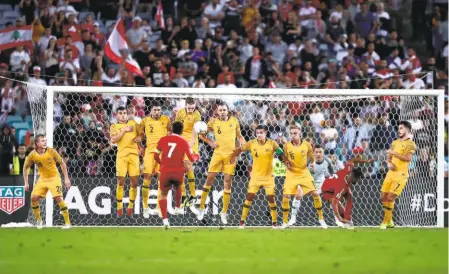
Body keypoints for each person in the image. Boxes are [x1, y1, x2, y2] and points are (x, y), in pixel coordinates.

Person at [197, 101, 245, 224]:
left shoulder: (234, 121)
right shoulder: (213, 121)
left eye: (224, 110)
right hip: (217, 154)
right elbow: (201, 135)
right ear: (217, 111)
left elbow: (239, 136)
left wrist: (242, 145)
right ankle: (201, 208)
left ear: (228, 111)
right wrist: (210, 142)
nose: (222, 112)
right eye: (220, 110)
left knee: (227, 182)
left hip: (230, 155)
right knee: (209, 179)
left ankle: (223, 212)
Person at [230, 125, 282, 229]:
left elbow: (280, 153)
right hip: (255, 176)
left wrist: (286, 160)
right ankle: (242, 221)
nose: (259, 134)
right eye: (257, 133)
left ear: (265, 132)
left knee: (271, 199)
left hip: (268, 177)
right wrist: (233, 156)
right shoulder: (251, 143)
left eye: (261, 132)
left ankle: (274, 222)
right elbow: (240, 149)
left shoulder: (272, 143)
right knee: (249, 197)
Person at [280, 124, 328, 229]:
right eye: (291, 133)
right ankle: (284, 221)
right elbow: (283, 156)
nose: (293, 135)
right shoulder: (286, 145)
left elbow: (311, 157)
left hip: (303, 172)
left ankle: (321, 219)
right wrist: (286, 161)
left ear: (300, 133)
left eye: (295, 133)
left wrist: (312, 163)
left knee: (315, 193)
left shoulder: (307, 144)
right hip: (291, 173)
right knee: (286, 196)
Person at [154, 121, 199, 229]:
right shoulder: (184, 142)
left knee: (163, 195)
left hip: (165, 171)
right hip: (178, 172)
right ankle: (178, 207)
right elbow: (192, 159)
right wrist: (197, 156)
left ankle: (165, 220)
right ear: (182, 131)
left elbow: (155, 156)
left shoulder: (163, 139)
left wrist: (162, 164)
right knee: (178, 187)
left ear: (171, 129)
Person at [23, 134, 71, 229]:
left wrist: (66, 178)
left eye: (45, 140)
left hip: (54, 178)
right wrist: (26, 182)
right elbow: (25, 167)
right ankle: (39, 221)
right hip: (42, 179)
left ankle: (68, 223)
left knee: (59, 198)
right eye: (42, 141)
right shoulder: (32, 154)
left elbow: (62, 164)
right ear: (37, 143)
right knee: (33, 197)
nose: (45, 142)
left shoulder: (51, 151)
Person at [380, 121, 416, 229]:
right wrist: (389, 164)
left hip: (401, 174)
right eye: (399, 128)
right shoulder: (394, 142)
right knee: (383, 197)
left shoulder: (411, 144)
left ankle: (385, 222)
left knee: (391, 197)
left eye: (401, 128)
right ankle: (390, 221)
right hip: (391, 173)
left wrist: (394, 153)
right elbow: (389, 158)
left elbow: (408, 158)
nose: (399, 130)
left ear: (407, 130)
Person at [138, 102, 171, 218]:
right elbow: (140, 135)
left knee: (161, 180)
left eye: (158, 110)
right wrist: (140, 147)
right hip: (150, 153)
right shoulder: (144, 121)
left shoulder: (166, 119)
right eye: (155, 110)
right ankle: (145, 207)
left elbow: (170, 132)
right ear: (150, 110)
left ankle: (158, 208)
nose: (157, 112)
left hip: (162, 153)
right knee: (147, 177)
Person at [110, 106, 140, 217]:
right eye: (120, 113)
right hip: (121, 155)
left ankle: (130, 209)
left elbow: (141, 133)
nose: (122, 115)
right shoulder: (114, 126)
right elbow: (113, 140)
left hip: (134, 155)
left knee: (135, 182)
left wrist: (140, 138)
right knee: (121, 181)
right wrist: (123, 130)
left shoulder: (133, 123)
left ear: (127, 114)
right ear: (116, 115)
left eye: (124, 113)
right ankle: (119, 210)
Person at [174, 97, 203, 207]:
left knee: (187, 166)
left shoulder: (197, 114)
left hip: (192, 141)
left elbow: (196, 130)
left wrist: (190, 143)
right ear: (185, 105)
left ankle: (193, 195)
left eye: (193, 108)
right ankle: (185, 196)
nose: (191, 110)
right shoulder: (180, 113)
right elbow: (177, 128)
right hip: (181, 140)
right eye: (189, 108)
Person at [321, 164, 364, 229]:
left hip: (335, 184)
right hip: (327, 190)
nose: (358, 181)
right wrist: (339, 218)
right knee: (339, 208)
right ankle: (343, 220)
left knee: (349, 195)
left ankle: (348, 219)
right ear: (354, 177)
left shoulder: (349, 170)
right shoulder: (341, 186)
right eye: (358, 179)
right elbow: (334, 203)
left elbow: (350, 162)